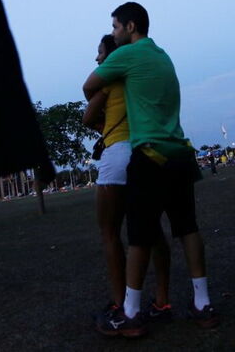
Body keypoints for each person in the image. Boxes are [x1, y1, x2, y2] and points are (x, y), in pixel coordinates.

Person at [84, 2, 218, 337]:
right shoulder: (163, 55)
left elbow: (89, 87)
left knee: (139, 236)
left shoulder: (125, 55)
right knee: (187, 228)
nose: (114, 34)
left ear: (130, 27)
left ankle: (130, 313)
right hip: (180, 151)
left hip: (149, 154)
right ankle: (202, 304)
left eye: (116, 27)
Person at [82, 35, 172, 325]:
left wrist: (103, 125)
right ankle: (162, 300)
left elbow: (87, 116)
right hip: (146, 153)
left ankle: (120, 303)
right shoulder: (139, 81)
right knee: (154, 231)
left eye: (100, 53)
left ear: (112, 56)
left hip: (118, 155)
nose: (97, 59)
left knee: (109, 232)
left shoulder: (110, 81)